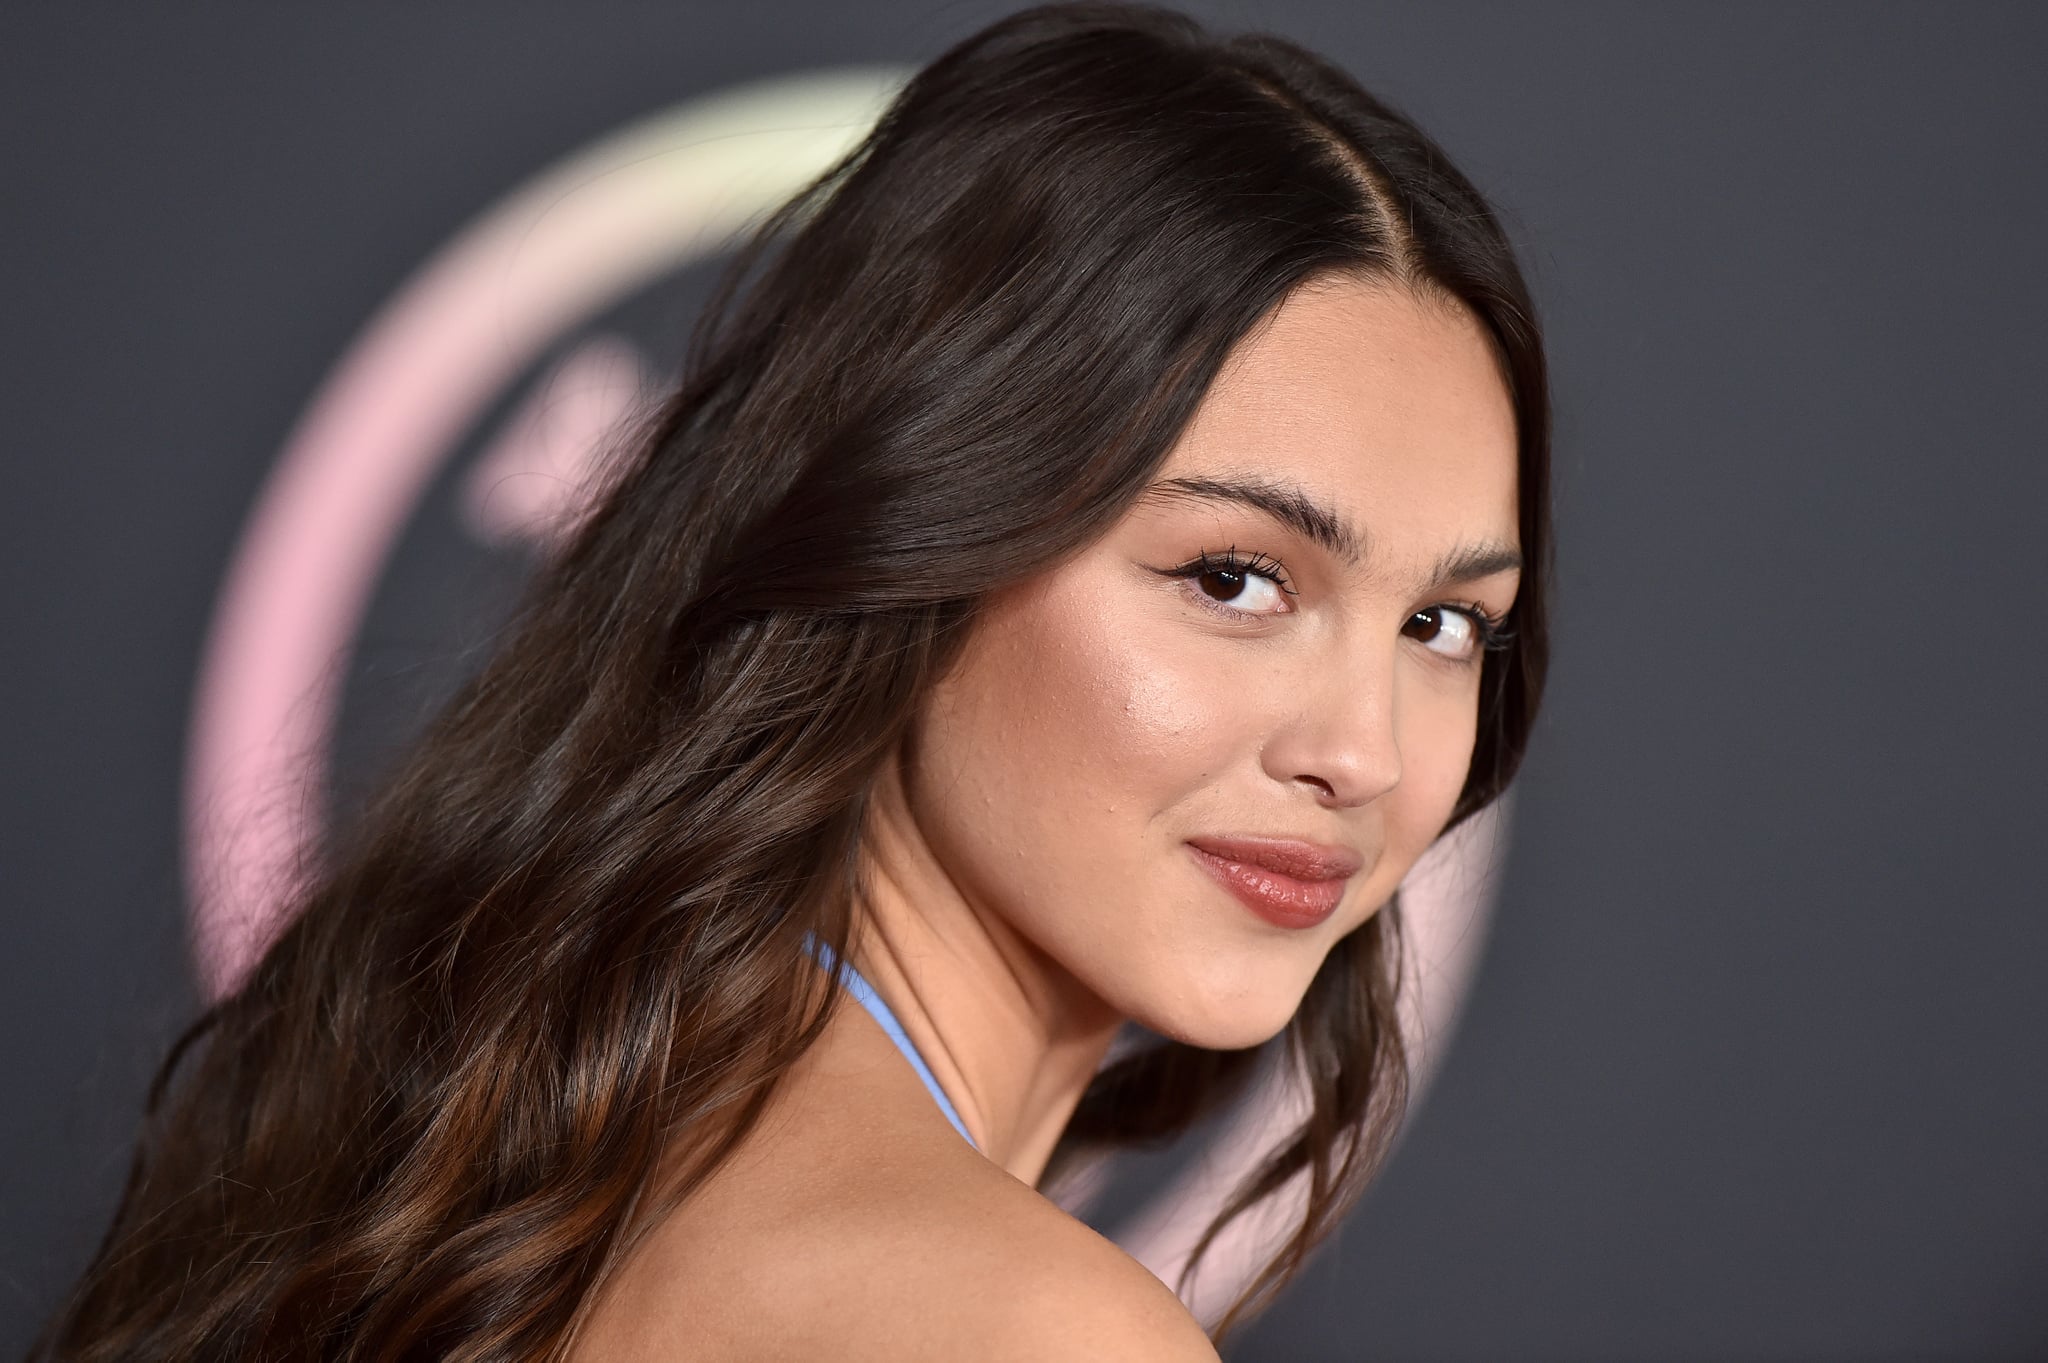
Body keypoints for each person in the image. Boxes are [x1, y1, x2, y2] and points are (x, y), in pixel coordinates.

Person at [34, 2, 1550, 1358]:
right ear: (918, 531)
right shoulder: (1029, 1333)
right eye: (1233, 579)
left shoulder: (573, 1173)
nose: (1362, 750)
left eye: (1446, 626)